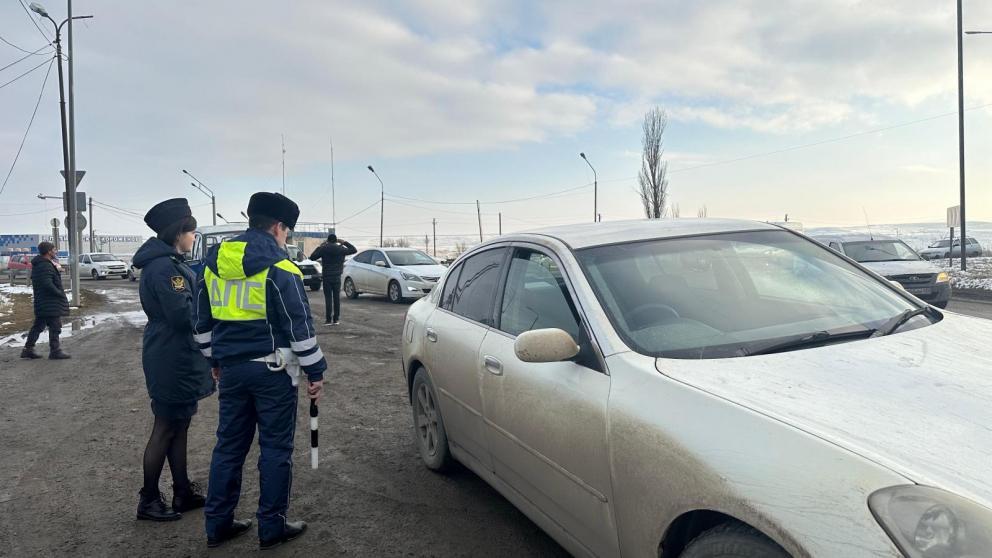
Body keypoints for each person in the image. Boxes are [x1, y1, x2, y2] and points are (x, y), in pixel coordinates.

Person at [193, 192, 326, 550]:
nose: (287, 238)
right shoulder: (281, 269)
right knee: (275, 450)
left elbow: (202, 326)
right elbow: (300, 329)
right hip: (273, 373)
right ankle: (272, 526)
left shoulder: (210, 266)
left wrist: (215, 362)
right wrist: (316, 372)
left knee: (228, 448)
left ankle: (217, 524)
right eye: (288, 232)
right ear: (279, 227)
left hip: (232, 372)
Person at [132, 198, 216, 522]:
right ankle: (149, 499)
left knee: (180, 425)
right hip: (170, 356)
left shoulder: (170, 262)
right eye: (191, 232)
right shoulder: (165, 268)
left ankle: (182, 491)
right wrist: (207, 302)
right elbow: (183, 316)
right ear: (179, 232)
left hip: (176, 353)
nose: (194, 237)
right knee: (165, 427)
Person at [20, 241, 70, 360]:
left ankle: (28, 349)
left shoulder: (42, 264)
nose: (56, 251)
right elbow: (47, 283)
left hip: (44, 301)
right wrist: (59, 293)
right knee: (55, 326)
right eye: (54, 249)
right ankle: (55, 351)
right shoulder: (44, 265)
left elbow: (46, 280)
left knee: (39, 325)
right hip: (49, 301)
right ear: (49, 251)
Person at [308, 233, 356, 325]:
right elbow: (354, 250)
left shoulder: (324, 248)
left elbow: (312, 257)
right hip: (337, 277)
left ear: (328, 240)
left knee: (328, 298)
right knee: (336, 298)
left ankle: (328, 320)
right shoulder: (341, 249)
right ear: (336, 240)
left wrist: (320, 246)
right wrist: (344, 242)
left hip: (327, 277)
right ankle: (336, 319)